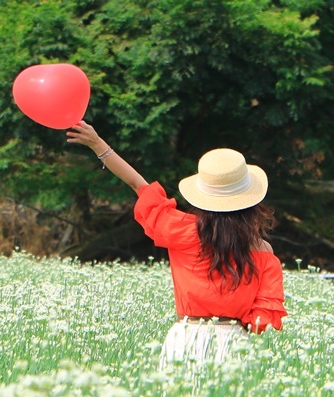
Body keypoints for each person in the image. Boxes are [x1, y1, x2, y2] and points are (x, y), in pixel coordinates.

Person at [67, 122, 287, 368]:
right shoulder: (263, 251)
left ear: (203, 196)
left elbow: (139, 185)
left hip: (185, 338)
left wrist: (97, 144)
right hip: (234, 344)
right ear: (251, 202)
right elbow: (263, 317)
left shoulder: (181, 230)